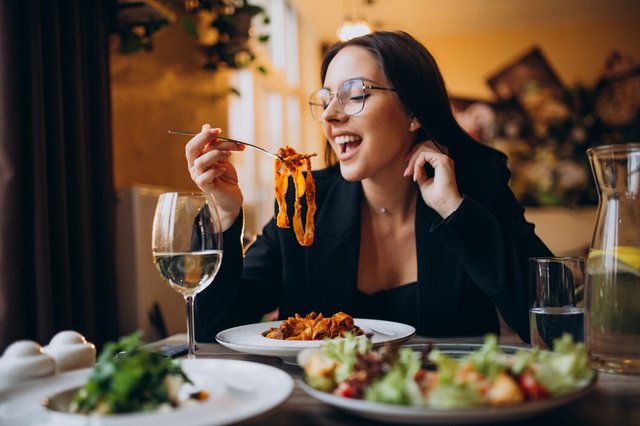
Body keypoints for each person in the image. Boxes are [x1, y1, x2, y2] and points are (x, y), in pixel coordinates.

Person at [185, 31, 552, 343]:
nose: (330, 115)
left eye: (355, 93)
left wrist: (453, 209)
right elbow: (214, 328)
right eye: (327, 98)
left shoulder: (475, 188)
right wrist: (224, 214)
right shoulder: (305, 202)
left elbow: (553, 323)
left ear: (414, 112)